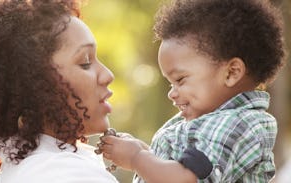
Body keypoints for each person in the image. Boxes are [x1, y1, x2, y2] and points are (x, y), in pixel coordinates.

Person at [100, 0, 285, 182]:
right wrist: (142, 150)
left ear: (231, 72)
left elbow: (186, 178)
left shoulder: (237, 124)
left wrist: (136, 158)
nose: (171, 93)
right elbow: (177, 167)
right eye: (171, 83)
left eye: (180, 80)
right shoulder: (209, 120)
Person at [0, 0, 118, 183]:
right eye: (85, 62)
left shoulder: (38, 167)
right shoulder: (60, 174)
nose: (107, 75)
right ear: (35, 84)